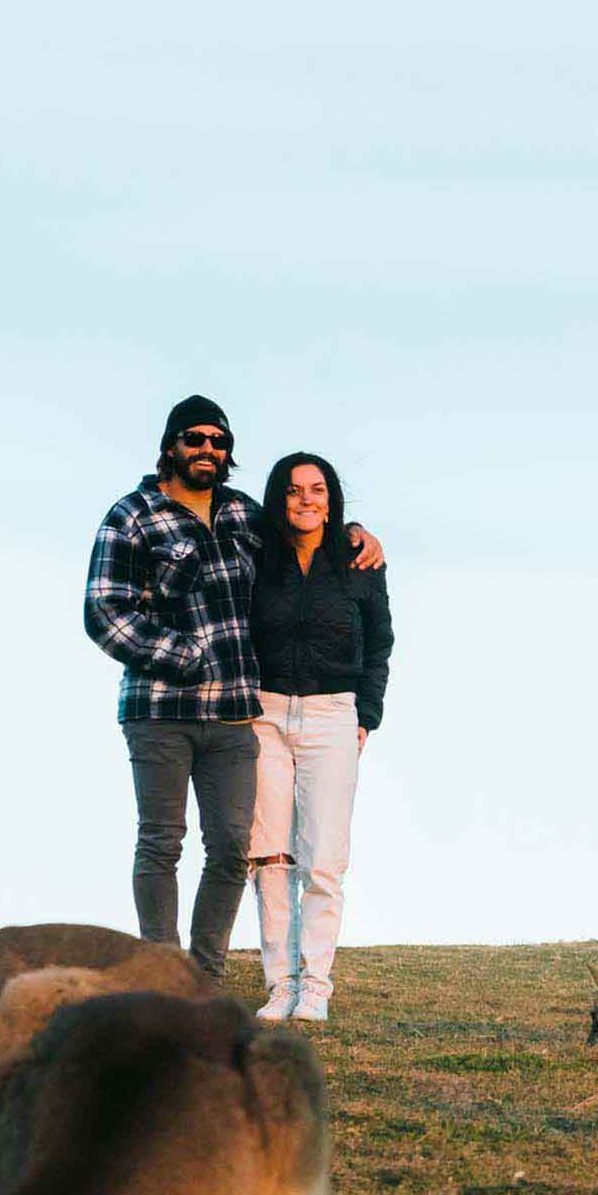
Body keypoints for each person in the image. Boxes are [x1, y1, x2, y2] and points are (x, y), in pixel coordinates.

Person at [82, 397, 378, 979]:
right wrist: (185, 656)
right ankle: (162, 975)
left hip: (237, 717)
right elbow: (103, 613)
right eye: (195, 439)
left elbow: (304, 526)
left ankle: (205, 976)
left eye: (219, 442)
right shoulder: (132, 515)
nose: (207, 450)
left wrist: (355, 532)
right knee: (162, 843)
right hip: (159, 712)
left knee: (230, 851)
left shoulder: (244, 515)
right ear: (171, 446)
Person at [245, 451, 393, 1022]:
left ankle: (316, 988)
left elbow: (380, 642)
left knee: (324, 858)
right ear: (278, 499)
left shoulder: (359, 561)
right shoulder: (259, 558)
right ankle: (280, 984)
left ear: (331, 499)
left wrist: (366, 715)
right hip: (266, 713)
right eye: (292, 490)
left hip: (333, 713)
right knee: (270, 855)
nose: (305, 500)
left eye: (316, 489)